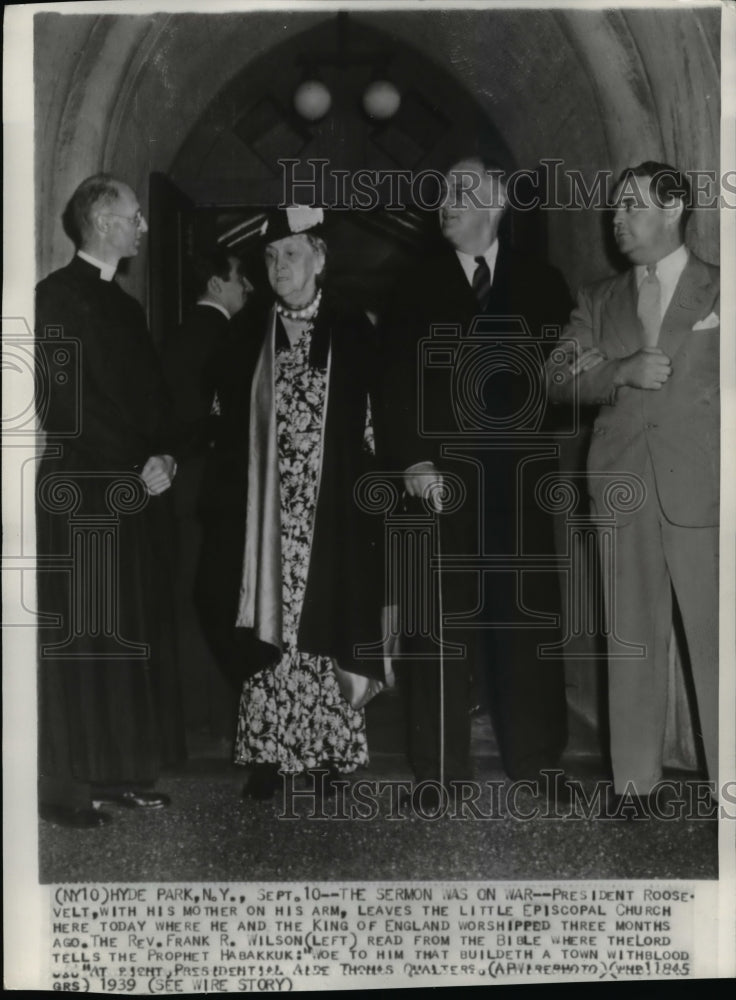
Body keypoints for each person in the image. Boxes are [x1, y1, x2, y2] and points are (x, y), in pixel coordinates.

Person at [378, 153, 571, 799]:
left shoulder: (545, 284)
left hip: (518, 487)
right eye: (441, 193)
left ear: (497, 203)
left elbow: (566, 378)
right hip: (441, 485)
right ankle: (438, 771)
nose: (445, 204)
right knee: (437, 627)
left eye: (460, 191)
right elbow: (394, 385)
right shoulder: (413, 285)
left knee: (525, 621)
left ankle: (537, 760)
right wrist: (413, 462)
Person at [547, 161, 719, 803]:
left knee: (715, 644)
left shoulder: (720, 290)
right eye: (615, 208)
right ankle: (633, 783)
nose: (615, 220)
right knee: (630, 640)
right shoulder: (597, 299)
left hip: (702, 493)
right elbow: (555, 380)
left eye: (630, 207)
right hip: (622, 490)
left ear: (673, 209)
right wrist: (618, 370)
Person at [198, 206, 383, 800]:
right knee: (265, 619)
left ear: (320, 259)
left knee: (327, 618)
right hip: (264, 512)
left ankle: (328, 751)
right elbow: (220, 421)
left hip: (331, 508)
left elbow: (376, 423)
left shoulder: (356, 330)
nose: (280, 266)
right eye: (272, 256)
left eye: (293, 254)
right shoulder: (245, 333)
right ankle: (268, 755)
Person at [35, 173, 185, 828]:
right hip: (83, 492)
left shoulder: (125, 306)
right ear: (101, 221)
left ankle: (121, 773)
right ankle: (69, 790)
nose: (143, 227)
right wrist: (131, 462)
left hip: (129, 489)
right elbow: (66, 408)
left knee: (126, 635)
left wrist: (165, 456)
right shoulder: (55, 298)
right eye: (134, 216)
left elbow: (152, 403)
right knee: (85, 637)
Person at [162, 250, 253, 743]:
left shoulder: (182, 332)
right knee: (213, 595)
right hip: (206, 485)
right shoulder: (220, 336)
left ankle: (204, 716)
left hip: (188, 484)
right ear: (218, 284)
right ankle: (215, 718)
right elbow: (202, 420)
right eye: (241, 280)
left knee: (196, 596)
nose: (248, 289)